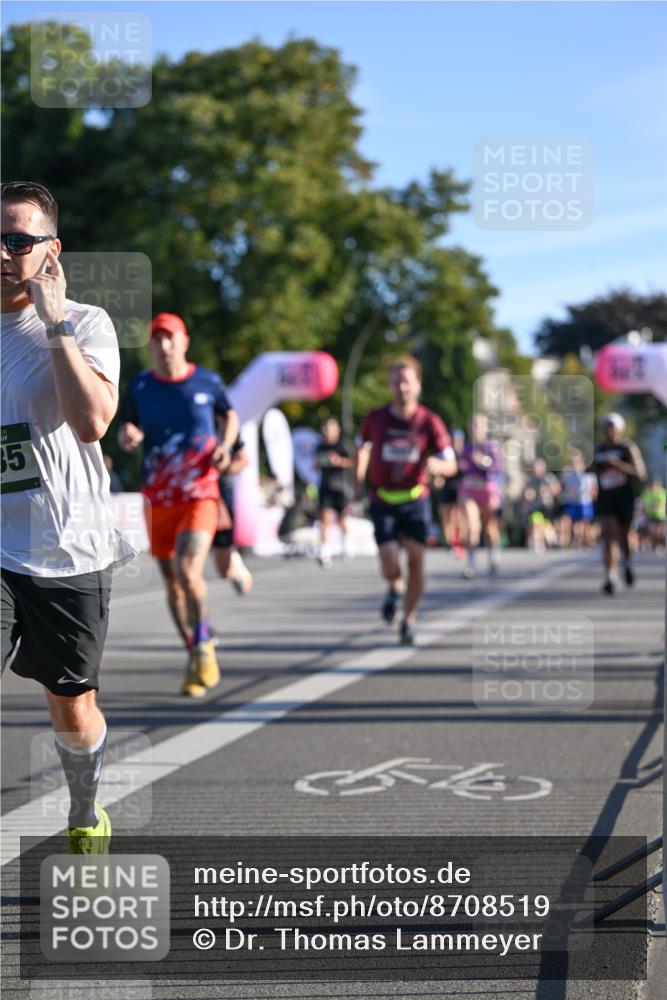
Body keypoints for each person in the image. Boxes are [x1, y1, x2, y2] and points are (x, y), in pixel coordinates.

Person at [1, 180, 128, 852]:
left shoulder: (86, 323)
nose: (2, 251)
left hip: (65, 548)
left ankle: (84, 808)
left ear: (52, 251)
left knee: (71, 706)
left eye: (17, 240)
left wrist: (53, 326)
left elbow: (91, 422)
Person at [118, 312, 239, 695]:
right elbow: (125, 428)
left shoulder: (207, 381)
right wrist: (128, 436)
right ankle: (192, 651)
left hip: (199, 492)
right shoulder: (139, 386)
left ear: (185, 341)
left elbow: (230, 415)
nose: (163, 345)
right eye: (157, 339)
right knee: (172, 583)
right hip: (158, 496)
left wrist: (225, 444)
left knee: (189, 572)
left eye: (170, 337)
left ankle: (204, 642)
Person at [355, 356, 456, 645]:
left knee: (416, 561)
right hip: (383, 498)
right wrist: (358, 480)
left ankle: (408, 621)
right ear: (389, 386)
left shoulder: (429, 421)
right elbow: (361, 447)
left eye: (407, 382)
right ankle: (394, 587)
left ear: (417, 386)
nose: (402, 388)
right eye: (397, 382)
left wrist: (439, 466)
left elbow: (452, 463)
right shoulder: (375, 419)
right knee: (390, 563)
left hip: (415, 499)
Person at [591, 412, 647, 595]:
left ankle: (627, 563)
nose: (609, 431)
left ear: (619, 430)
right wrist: (597, 466)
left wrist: (618, 465)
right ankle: (610, 577)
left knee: (623, 537)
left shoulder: (627, 448)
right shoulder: (598, 449)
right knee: (609, 537)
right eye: (606, 427)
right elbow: (586, 468)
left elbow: (641, 474)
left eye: (612, 427)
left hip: (624, 498)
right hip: (606, 499)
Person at [457, 413, 504, 578]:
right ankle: (471, 563)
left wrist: (483, 461)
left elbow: (497, 470)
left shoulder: (492, 446)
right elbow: (461, 468)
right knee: (472, 525)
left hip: (488, 490)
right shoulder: (467, 447)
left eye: (477, 424)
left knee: (490, 528)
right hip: (470, 490)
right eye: (472, 424)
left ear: (485, 427)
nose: (474, 428)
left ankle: (493, 553)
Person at [210, 435, 253, 594]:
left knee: (223, 567)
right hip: (193, 498)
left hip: (221, 497)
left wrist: (224, 468)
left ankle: (237, 568)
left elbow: (244, 460)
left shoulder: (226, 429)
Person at [315, 416, 354, 567]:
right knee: (325, 518)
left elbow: (354, 462)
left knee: (342, 519)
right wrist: (319, 463)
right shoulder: (320, 447)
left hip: (342, 487)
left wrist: (339, 461)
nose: (326, 431)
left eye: (329, 427)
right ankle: (324, 552)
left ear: (337, 429)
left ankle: (346, 545)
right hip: (326, 486)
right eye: (324, 428)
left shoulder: (343, 445)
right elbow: (316, 464)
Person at [521, 457, 562, 555]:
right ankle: (538, 543)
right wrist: (528, 496)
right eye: (535, 467)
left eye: (538, 467)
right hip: (535, 507)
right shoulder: (531, 480)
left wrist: (548, 491)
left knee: (546, 526)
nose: (536, 470)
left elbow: (557, 489)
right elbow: (526, 493)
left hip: (547, 506)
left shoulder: (549, 477)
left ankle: (550, 537)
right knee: (536, 523)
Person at [559, 450, 597, 549]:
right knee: (567, 521)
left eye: (576, 461)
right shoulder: (567, 475)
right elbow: (562, 487)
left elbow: (594, 489)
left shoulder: (588, 475)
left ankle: (586, 541)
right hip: (571, 502)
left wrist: (592, 497)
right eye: (572, 462)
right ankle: (568, 542)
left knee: (585, 522)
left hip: (584, 502)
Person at [438, 428, 466, 559]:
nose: (456, 442)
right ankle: (449, 542)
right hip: (447, 488)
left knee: (457, 517)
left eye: (458, 440)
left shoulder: (465, 453)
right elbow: (440, 471)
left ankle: (458, 542)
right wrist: (438, 479)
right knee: (446, 517)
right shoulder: (446, 453)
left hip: (460, 488)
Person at [639, 478, 665, 552]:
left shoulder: (662, 493)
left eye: (655, 485)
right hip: (650, 515)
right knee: (651, 530)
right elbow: (643, 503)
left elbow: (662, 503)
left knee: (659, 532)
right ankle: (653, 544)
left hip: (660, 516)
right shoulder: (647, 493)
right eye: (652, 485)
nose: (654, 487)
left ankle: (659, 544)